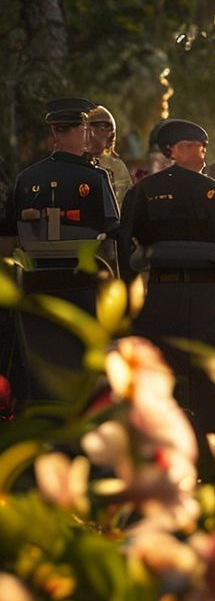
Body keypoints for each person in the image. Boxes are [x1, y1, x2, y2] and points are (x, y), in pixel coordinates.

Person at [117, 119, 215, 439]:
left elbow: (124, 247)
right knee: (207, 378)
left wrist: (129, 295)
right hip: (205, 297)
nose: (204, 153)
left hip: (160, 296)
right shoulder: (211, 190)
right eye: (200, 147)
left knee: (159, 374)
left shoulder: (144, 190)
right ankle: (209, 448)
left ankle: (158, 445)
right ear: (182, 149)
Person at [3, 98, 120, 402]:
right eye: (84, 126)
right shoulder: (95, 177)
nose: (87, 134)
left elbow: (8, 235)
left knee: (39, 363)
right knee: (80, 363)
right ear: (76, 130)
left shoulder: (26, 178)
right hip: (81, 284)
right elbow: (112, 230)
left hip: (35, 283)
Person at [85, 105, 133, 206]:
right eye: (104, 128)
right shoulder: (76, 161)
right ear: (90, 130)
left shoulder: (117, 167)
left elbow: (125, 204)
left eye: (110, 129)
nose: (109, 134)